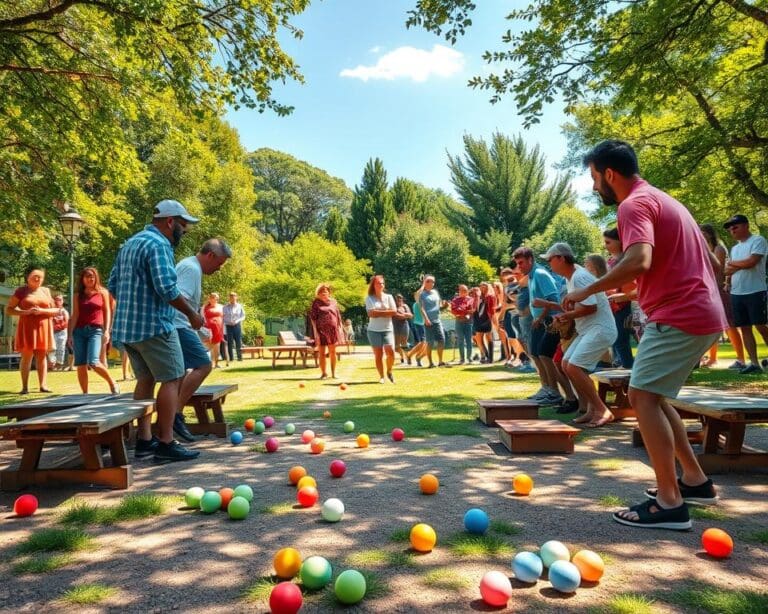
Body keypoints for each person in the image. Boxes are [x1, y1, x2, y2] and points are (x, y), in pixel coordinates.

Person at [567, 140, 724, 530]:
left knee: (641, 396)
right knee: (654, 395)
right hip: (699, 309)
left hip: (679, 313)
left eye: (593, 178)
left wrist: (587, 289)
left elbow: (639, 259)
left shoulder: (633, 205)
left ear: (609, 174)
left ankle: (669, 503)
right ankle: (693, 480)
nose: (593, 188)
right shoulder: (662, 199)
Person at [108, 199, 205, 463]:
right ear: (169, 221)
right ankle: (165, 443)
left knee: (146, 379)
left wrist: (133, 304)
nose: (184, 232)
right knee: (172, 378)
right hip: (155, 326)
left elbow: (113, 284)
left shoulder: (130, 243)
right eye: (183, 226)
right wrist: (192, 314)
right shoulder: (159, 245)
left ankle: (144, 441)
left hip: (127, 328)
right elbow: (167, 289)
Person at [545, 243, 617, 426]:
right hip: (589, 330)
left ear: (561, 258)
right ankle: (590, 409)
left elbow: (591, 307)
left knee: (574, 366)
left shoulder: (579, 277)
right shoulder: (572, 277)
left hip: (600, 329)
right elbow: (583, 305)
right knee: (566, 364)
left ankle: (602, 410)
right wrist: (567, 313)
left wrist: (565, 315)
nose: (548, 263)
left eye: (550, 259)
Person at [172, 239, 232, 443]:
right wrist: (192, 317)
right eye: (219, 263)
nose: (219, 268)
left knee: (178, 373)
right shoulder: (191, 269)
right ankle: (176, 414)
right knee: (204, 364)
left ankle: (170, 419)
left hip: (181, 325)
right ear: (210, 256)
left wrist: (199, 325)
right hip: (178, 324)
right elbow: (177, 296)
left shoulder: (189, 265)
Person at [515, 247, 564, 406]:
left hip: (548, 321)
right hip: (538, 321)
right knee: (535, 355)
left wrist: (540, 317)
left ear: (530, 260)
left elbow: (553, 299)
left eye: (521, 262)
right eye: (517, 263)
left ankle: (554, 392)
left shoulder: (540, 274)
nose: (519, 266)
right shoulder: (531, 276)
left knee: (544, 356)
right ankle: (546, 388)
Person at [723, 214, 768, 374]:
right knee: (744, 328)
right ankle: (754, 363)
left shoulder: (757, 241)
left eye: (735, 226)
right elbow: (727, 270)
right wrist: (729, 279)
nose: (731, 230)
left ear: (746, 226)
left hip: (756, 290)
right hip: (737, 292)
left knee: (761, 326)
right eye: (730, 228)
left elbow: (752, 262)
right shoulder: (735, 248)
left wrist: (733, 264)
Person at [699, 224, 745, 369]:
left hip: (719, 290)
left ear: (710, 234)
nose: (701, 235)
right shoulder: (702, 249)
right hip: (708, 291)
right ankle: (712, 359)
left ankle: (741, 359)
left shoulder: (718, 249)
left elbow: (717, 268)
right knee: (712, 326)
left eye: (703, 232)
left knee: (729, 326)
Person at [68, 267, 119, 394]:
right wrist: (69, 334)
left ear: (96, 277)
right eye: (87, 276)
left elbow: (107, 312)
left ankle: (112, 383)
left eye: (92, 276)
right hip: (79, 331)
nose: (90, 279)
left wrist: (107, 330)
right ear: (82, 279)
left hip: (95, 330)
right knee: (80, 364)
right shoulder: (78, 295)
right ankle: (85, 394)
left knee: (94, 361)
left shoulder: (103, 292)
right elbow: (75, 315)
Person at [5, 266, 56, 394]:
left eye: (40, 277)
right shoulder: (21, 291)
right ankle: (25, 387)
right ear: (28, 278)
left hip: (43, 327)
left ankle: (43, 385)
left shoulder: (46, 291)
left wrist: (42, 311)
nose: (37, 279)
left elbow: (55, 310)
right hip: (27, 327)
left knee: (42, 356)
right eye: (35, 276)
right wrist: (26, 312)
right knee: (27, 356)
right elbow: (9, 309)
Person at [603, 228, 636, 368]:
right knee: (617, 340)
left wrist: (622, 296)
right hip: (614, 306)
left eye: (608, 242)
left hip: (626, 305)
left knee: (622, 339)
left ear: (620, 242)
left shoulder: (628, 260)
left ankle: (628, 367)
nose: (605, 245)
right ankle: (624, 366)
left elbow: (633, 287)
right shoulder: (611, 262)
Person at [365, 274, 397, 383]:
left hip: (387, 329)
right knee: (378, 354)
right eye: (379, 283)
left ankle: (389, 371)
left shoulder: (389, 297)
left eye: (383, 283)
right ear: (373, 285)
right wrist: (386, 312)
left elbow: (394, 312)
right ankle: (382, 377)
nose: (381, 285)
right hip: (373, 330)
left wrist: (378, 312)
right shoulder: (369, 298)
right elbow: (371, 314)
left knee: (391, 352)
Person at [309, 283, 345, 379]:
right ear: (318, 293)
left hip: (333, 331)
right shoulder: (316, 303)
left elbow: (338, 316)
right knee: (322, 353)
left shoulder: (334, 302)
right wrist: (315, 332)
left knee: (333, 352)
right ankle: (324, 373)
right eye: (321, 291)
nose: (323, 293)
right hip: (321, 331)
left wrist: (340, 328)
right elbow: (313, 319)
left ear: (329, 292)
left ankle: (333, 373)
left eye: (325, 291)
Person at [416, 275, 448, 368]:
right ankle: (430, 363)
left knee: (442, 339)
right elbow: (421, 308)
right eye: (429, 281)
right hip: (428, 321)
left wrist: (445, 306)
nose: (431, 283)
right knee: (430, 342)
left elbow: (439, 306)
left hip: (437, 320)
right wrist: (426, 319)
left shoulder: (435, 292)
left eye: (433, 281)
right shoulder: (421, 294)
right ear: (425, 282)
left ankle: (440, 361)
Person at [450, 285, 474, 364]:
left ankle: (469, 357)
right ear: (459, 291)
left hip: (468, 322)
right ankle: (462, 358)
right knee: (460, 340)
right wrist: (465, 311)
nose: (463, 292)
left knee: (469, 340)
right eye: (462, 290)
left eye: (465, 290)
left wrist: (462, 311)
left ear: (467, 291)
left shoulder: (471, 299)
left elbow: (472, 310)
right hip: (459, 321)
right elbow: (453, 310)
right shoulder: (455, 300)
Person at [203, 292, 225, 369]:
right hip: (208, 328)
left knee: (217, 346)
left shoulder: (221, 307)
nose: (215, 299)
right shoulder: (205, 307)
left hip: (218, 328)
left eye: (216, 298)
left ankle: (217, 363)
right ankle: (210, 363)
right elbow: (201, 316)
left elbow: (225, 316)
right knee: (209, 345)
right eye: (213, 298)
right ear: (210, 299)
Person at [223, 291, 245, 362]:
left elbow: (243, 316)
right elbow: (223, 317)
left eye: (234, 297)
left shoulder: (239, 306)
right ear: (229, 298)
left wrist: (237, 321)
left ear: (236, 297)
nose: (232, 298)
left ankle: (240, 357)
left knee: (238, 341)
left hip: (237, 325)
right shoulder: (225, 307)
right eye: (231, 297)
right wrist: (228, 322)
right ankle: (231, 358)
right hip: (228, 326)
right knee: (230, 342)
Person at [405, 296, 428, 366]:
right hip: (419, 324)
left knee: (427, 344)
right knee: (423, 342)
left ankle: (415, 356)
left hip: (423, 324)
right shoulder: (417, 304)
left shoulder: (419, 303)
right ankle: (412, 355)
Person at [392, 294, 413, 364]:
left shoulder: (405, 306)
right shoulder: (393, 307)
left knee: (404, 343)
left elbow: (410, 315)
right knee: (396, 346)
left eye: (400, 299)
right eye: (397, 299)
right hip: (395, 326)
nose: (399, 300)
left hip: (404, 326)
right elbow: (395, 316)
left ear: (402, 299)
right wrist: (405, 315)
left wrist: (403, 315)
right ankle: (401, 356)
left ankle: (408, 357)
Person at [51, 294, 69, 371]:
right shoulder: (51, 310)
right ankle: (52, 364)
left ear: (62, 301)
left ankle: (59, 364)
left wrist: (58, 327)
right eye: (56, 299)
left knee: (61, 348)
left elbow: (66, 322)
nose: (58, 301)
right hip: (52, 332)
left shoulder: (64, 311)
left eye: (60, 299)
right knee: (52, 348)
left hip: (62, 332)